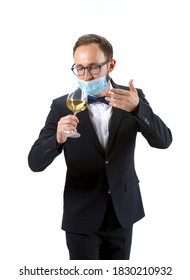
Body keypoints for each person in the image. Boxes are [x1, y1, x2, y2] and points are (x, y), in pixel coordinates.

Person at [28, 34, 172, 260]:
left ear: (111, 65)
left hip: (122, 212)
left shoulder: (132, 97)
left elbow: (163, 141)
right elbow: (34, 162)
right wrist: (57, 139)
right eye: (80, 68)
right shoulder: (61, 106)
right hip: (82, 215)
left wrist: (138, 110)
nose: (86, 76)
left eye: (94, 67)